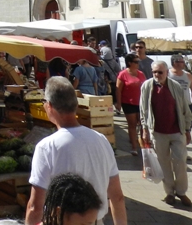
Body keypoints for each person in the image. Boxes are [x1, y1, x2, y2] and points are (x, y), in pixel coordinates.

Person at [25, 77, 125, 225]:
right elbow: (117, 197)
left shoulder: (47, 147)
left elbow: (35, 207)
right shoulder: (101, 140)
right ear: (76, 104)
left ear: (49, 106)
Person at [139, 60, 192, 207]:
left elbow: (185, 109)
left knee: (180, 162)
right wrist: (145, 130)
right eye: (155, 72)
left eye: (160, 72)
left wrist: (187, 129)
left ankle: (181, 192)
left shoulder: (175, 86)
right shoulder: (147, 86)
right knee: (164, 163)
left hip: (177, 130)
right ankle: (169, 192)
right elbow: (143, 110)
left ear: (167, 72)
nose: (157, 75)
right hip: (157, 132)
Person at [115, 53, 146, 156]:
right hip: (128, 102)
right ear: (129, 63)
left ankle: (143, 145)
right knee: (132, 125)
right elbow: (118, 90)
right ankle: (134, 147)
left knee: (142, 125)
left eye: (138, 62)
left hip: (141, 103)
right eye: (136, 62)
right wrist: (118, 104)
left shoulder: (141, 73)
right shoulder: (123, 74)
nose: (138, 64)